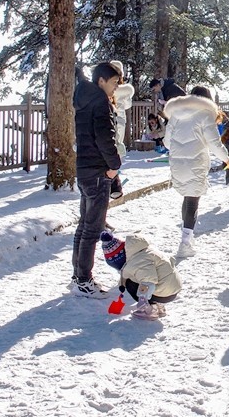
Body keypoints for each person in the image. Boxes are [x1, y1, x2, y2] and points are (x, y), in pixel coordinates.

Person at [70, 61, 124, 297]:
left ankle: (78, 275)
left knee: (84, 225)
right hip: (98, 171)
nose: (114, 88)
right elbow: (105, 137)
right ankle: (84, 279)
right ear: (101, 80)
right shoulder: (100, 101)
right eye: (113, 83)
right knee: (92, 228)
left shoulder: (84, 99)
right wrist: (114, 166)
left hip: (84, 168)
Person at [164, 85, 229, 258]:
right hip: (195, 162)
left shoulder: (176, 115)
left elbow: (167, 142)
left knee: (187, 197)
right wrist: (227, 159)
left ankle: (186, 236)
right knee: (192, 200)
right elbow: (214, 143)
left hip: (177, 163)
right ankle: (185, 242)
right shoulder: (205, 114)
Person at [101, 230, 181, 320]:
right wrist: (121, 283)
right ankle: (159, 306)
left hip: (164, 292)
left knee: (131, 284)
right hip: (172, 289)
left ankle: (150, 310)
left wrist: (142, 300)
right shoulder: (143, 251)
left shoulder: (137, 262)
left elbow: (148, 282)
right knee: (136, 278)